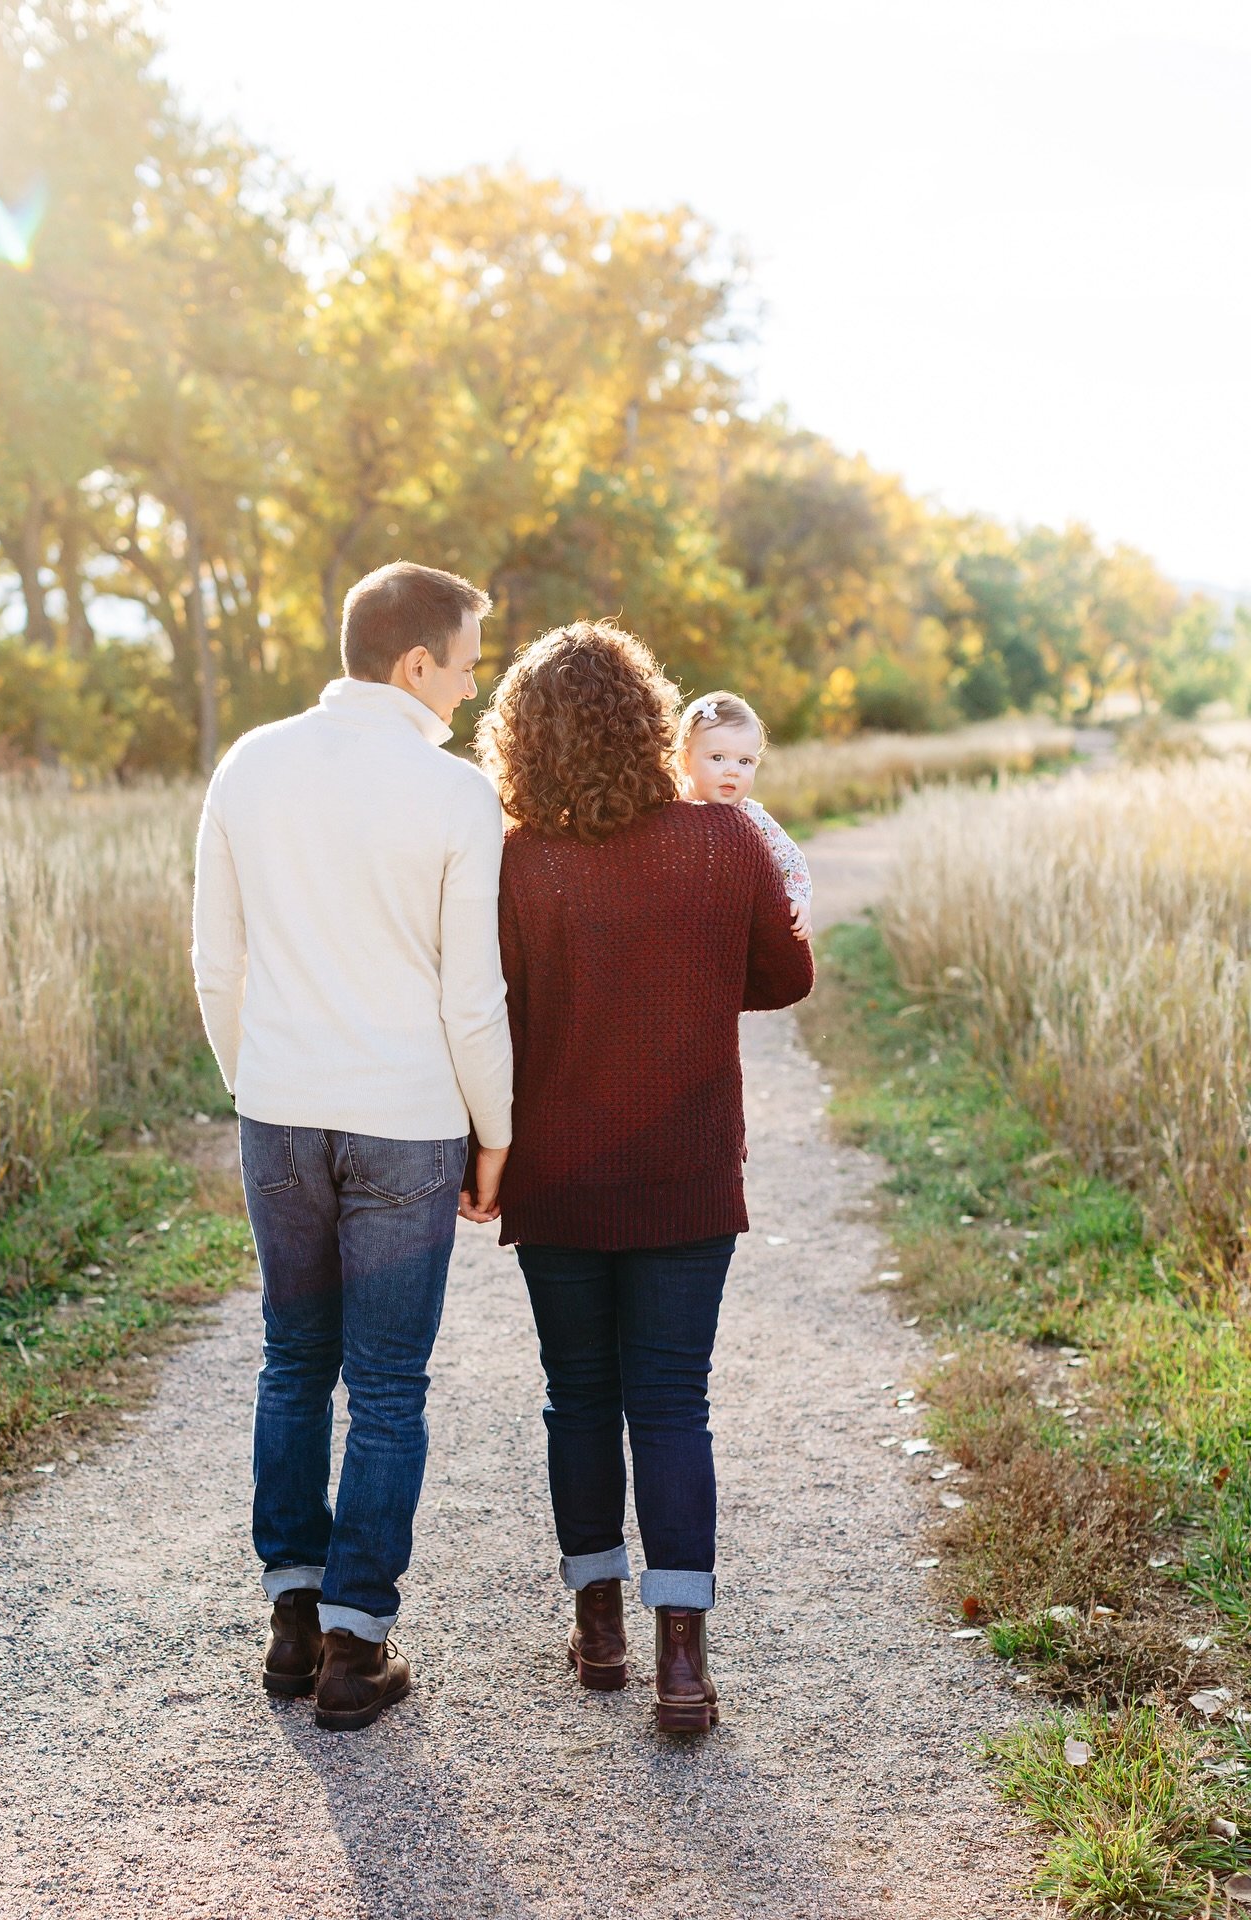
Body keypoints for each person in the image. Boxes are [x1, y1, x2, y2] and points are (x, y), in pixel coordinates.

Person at [467, 620, 814, 1736]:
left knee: (578, 1395)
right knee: (672, 1403)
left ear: (522, 743)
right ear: (652, 722)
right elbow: (786, 975)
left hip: (559, 1174)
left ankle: (601, 1628)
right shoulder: (725, 842)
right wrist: (696, 979)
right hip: (686, 1171)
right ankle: (682, 1663)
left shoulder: (517, 861)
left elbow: (496, 1008)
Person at [192, 560, 513, 1732]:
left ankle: (290, 1615)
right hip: (409, 1123)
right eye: (469, 661)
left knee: (293, 1360)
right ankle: (353, 1647)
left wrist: (260, 1084)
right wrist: (498, 1136)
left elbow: (215, 966)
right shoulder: (453, 795)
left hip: (278, 1108)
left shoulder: (251, 764)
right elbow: (472, 998)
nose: (474, 688)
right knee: (385, 1388)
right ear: (414, 662)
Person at [675, 690, 813, 940]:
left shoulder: (751, 817)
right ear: (685, 761)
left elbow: (792, 861)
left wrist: (799, 900)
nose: (733, 771)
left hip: (733, 931)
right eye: (718, 758)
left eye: (745, 762)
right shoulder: (668, 812)